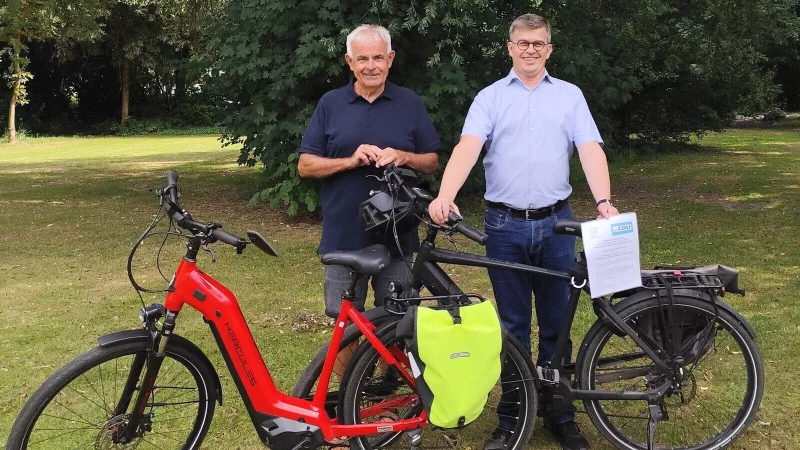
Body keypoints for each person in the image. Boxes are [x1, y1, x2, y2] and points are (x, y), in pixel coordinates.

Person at [428, 14, 618, 450]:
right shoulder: (490, 98)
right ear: (509, 47)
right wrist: (444, 194)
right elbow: (468, 148)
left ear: (549, 49)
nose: (530, 49)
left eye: (538, 43)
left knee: (556, 324)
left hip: (556, 225)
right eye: (522, 42)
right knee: (511, 327)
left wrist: (604, 202)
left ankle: (560, 415)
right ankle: (513, 416)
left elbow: (590, 148)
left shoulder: (570, 97)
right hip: (504, 225)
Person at [298, 24, 440, 320]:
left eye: (377, 58)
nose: (371, 66)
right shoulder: (331, 103)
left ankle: (388, 370)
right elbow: (305, 165)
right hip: (344, 233)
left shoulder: (409, 102)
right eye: (362, 59)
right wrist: (350, 161)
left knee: (398, 319)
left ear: (390, 58)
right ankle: (351, 370)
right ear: (350, 62)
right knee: (344, 321)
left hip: (398, 232)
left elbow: (431, 162)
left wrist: (404, 156)